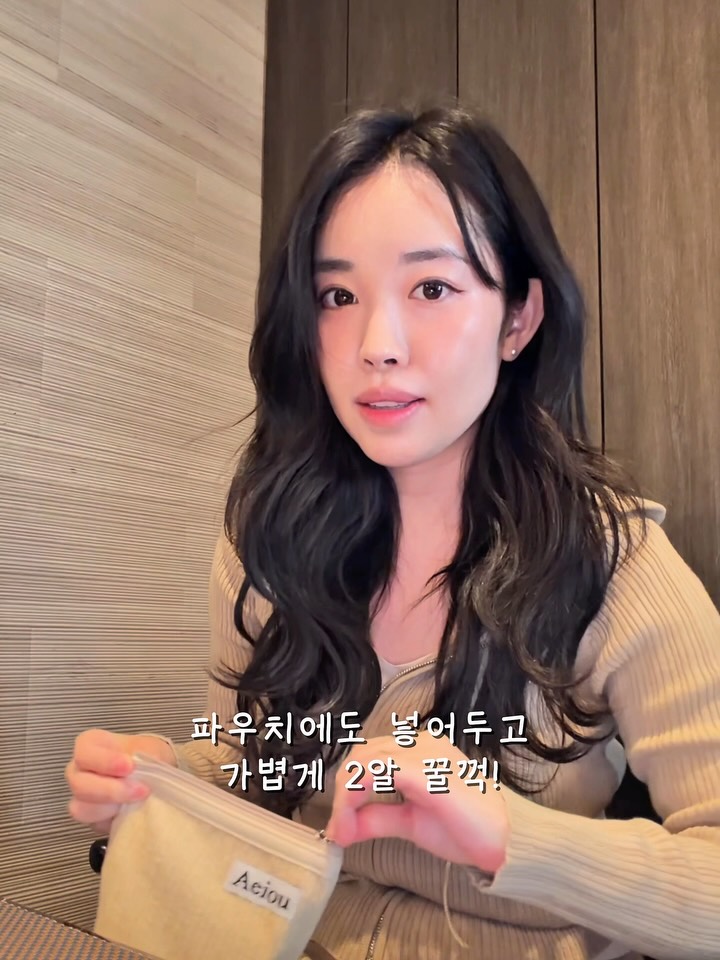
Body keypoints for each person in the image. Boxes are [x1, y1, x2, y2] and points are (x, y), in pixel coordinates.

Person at [66, 106, 720, 960]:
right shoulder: (270, 535)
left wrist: (510, 834)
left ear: (518, 319)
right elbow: (263, 768)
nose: (377, 345)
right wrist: (165, 775)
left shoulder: (613, 560)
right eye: (338, 296)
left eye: (433, 289)